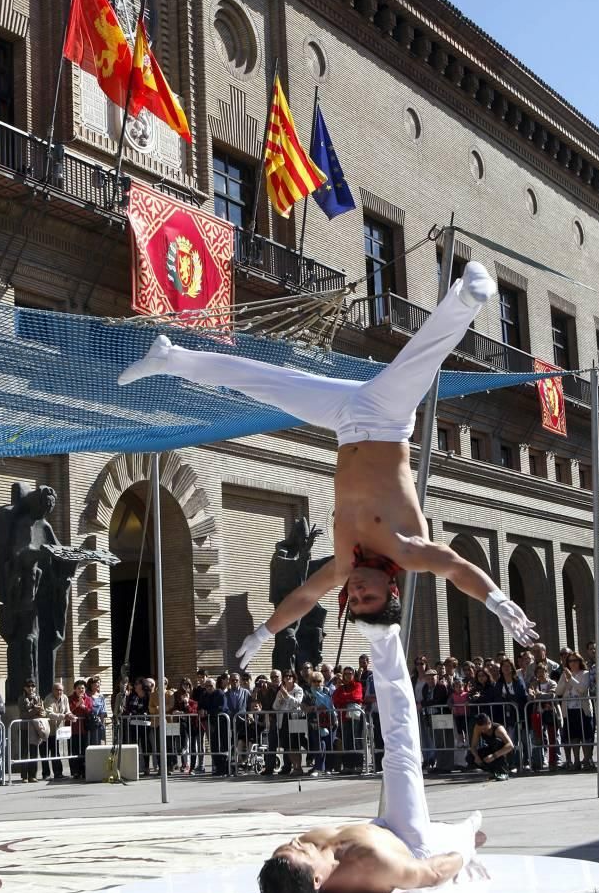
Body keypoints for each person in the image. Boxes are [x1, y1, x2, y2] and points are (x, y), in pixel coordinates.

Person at [120, 263, 535, 652]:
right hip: (386, 420)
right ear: (390, 589)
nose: (356, 591)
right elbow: (457, 568)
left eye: (353, 600)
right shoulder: (409, 551)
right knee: (422, 359)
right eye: (367, 595)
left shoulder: (342, 565)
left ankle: (170, 357)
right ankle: (467, 297)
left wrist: (265, 632)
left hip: (344, 422)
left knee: (266, 383)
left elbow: (303, 596)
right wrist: (496, 601)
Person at [256, 620, 487, 893]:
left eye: (288, 848)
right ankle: (384, 636)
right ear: (318, 881)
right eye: (297, 851)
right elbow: (431, 872)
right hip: (409, 843)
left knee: (432, 807)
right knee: (401, 751)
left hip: (378, 829)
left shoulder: (288, 867)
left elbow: (279, 890)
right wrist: (463, 853)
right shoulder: (371, 868)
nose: (294, 841)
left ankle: (465, 831)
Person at [42, 681, 73, 780]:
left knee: (56, 752)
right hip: (46, 730)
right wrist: (64, 716)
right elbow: (49, 714)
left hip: (57, 730)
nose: (60, 692)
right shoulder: (48, 699)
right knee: (45, 753)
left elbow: (67, 710)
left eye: (61, 690)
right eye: (58, 690)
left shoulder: (65, 698)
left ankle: (58, 773)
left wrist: (69, 714)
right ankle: (46, 774)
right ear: (53, 690)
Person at [469, 712, 514, 780]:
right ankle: (495, 772)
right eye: (481, 729)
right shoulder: (478, 727)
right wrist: (476, 757)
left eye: (484, 729)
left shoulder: (498, 729)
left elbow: (510, 746)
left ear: (489, 723)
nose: (483, 731)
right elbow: (473, 746)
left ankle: (504, 772)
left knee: (496, 742)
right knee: (470, 757)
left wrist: (493, 756)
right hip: (492, 749)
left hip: (505, 752)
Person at [19, 681, 48, 782]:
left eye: (33, 686)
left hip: (35, 729)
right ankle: (24, 776)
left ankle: (33, 775)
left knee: (34, 752)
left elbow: (43, 713)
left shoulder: (38, 698)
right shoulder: (21, 699)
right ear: (25, 688)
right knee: (24, 752)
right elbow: (23, 715)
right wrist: (35, 711)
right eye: (28, 686)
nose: (31, 688)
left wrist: (40, 712)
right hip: (25, 728)